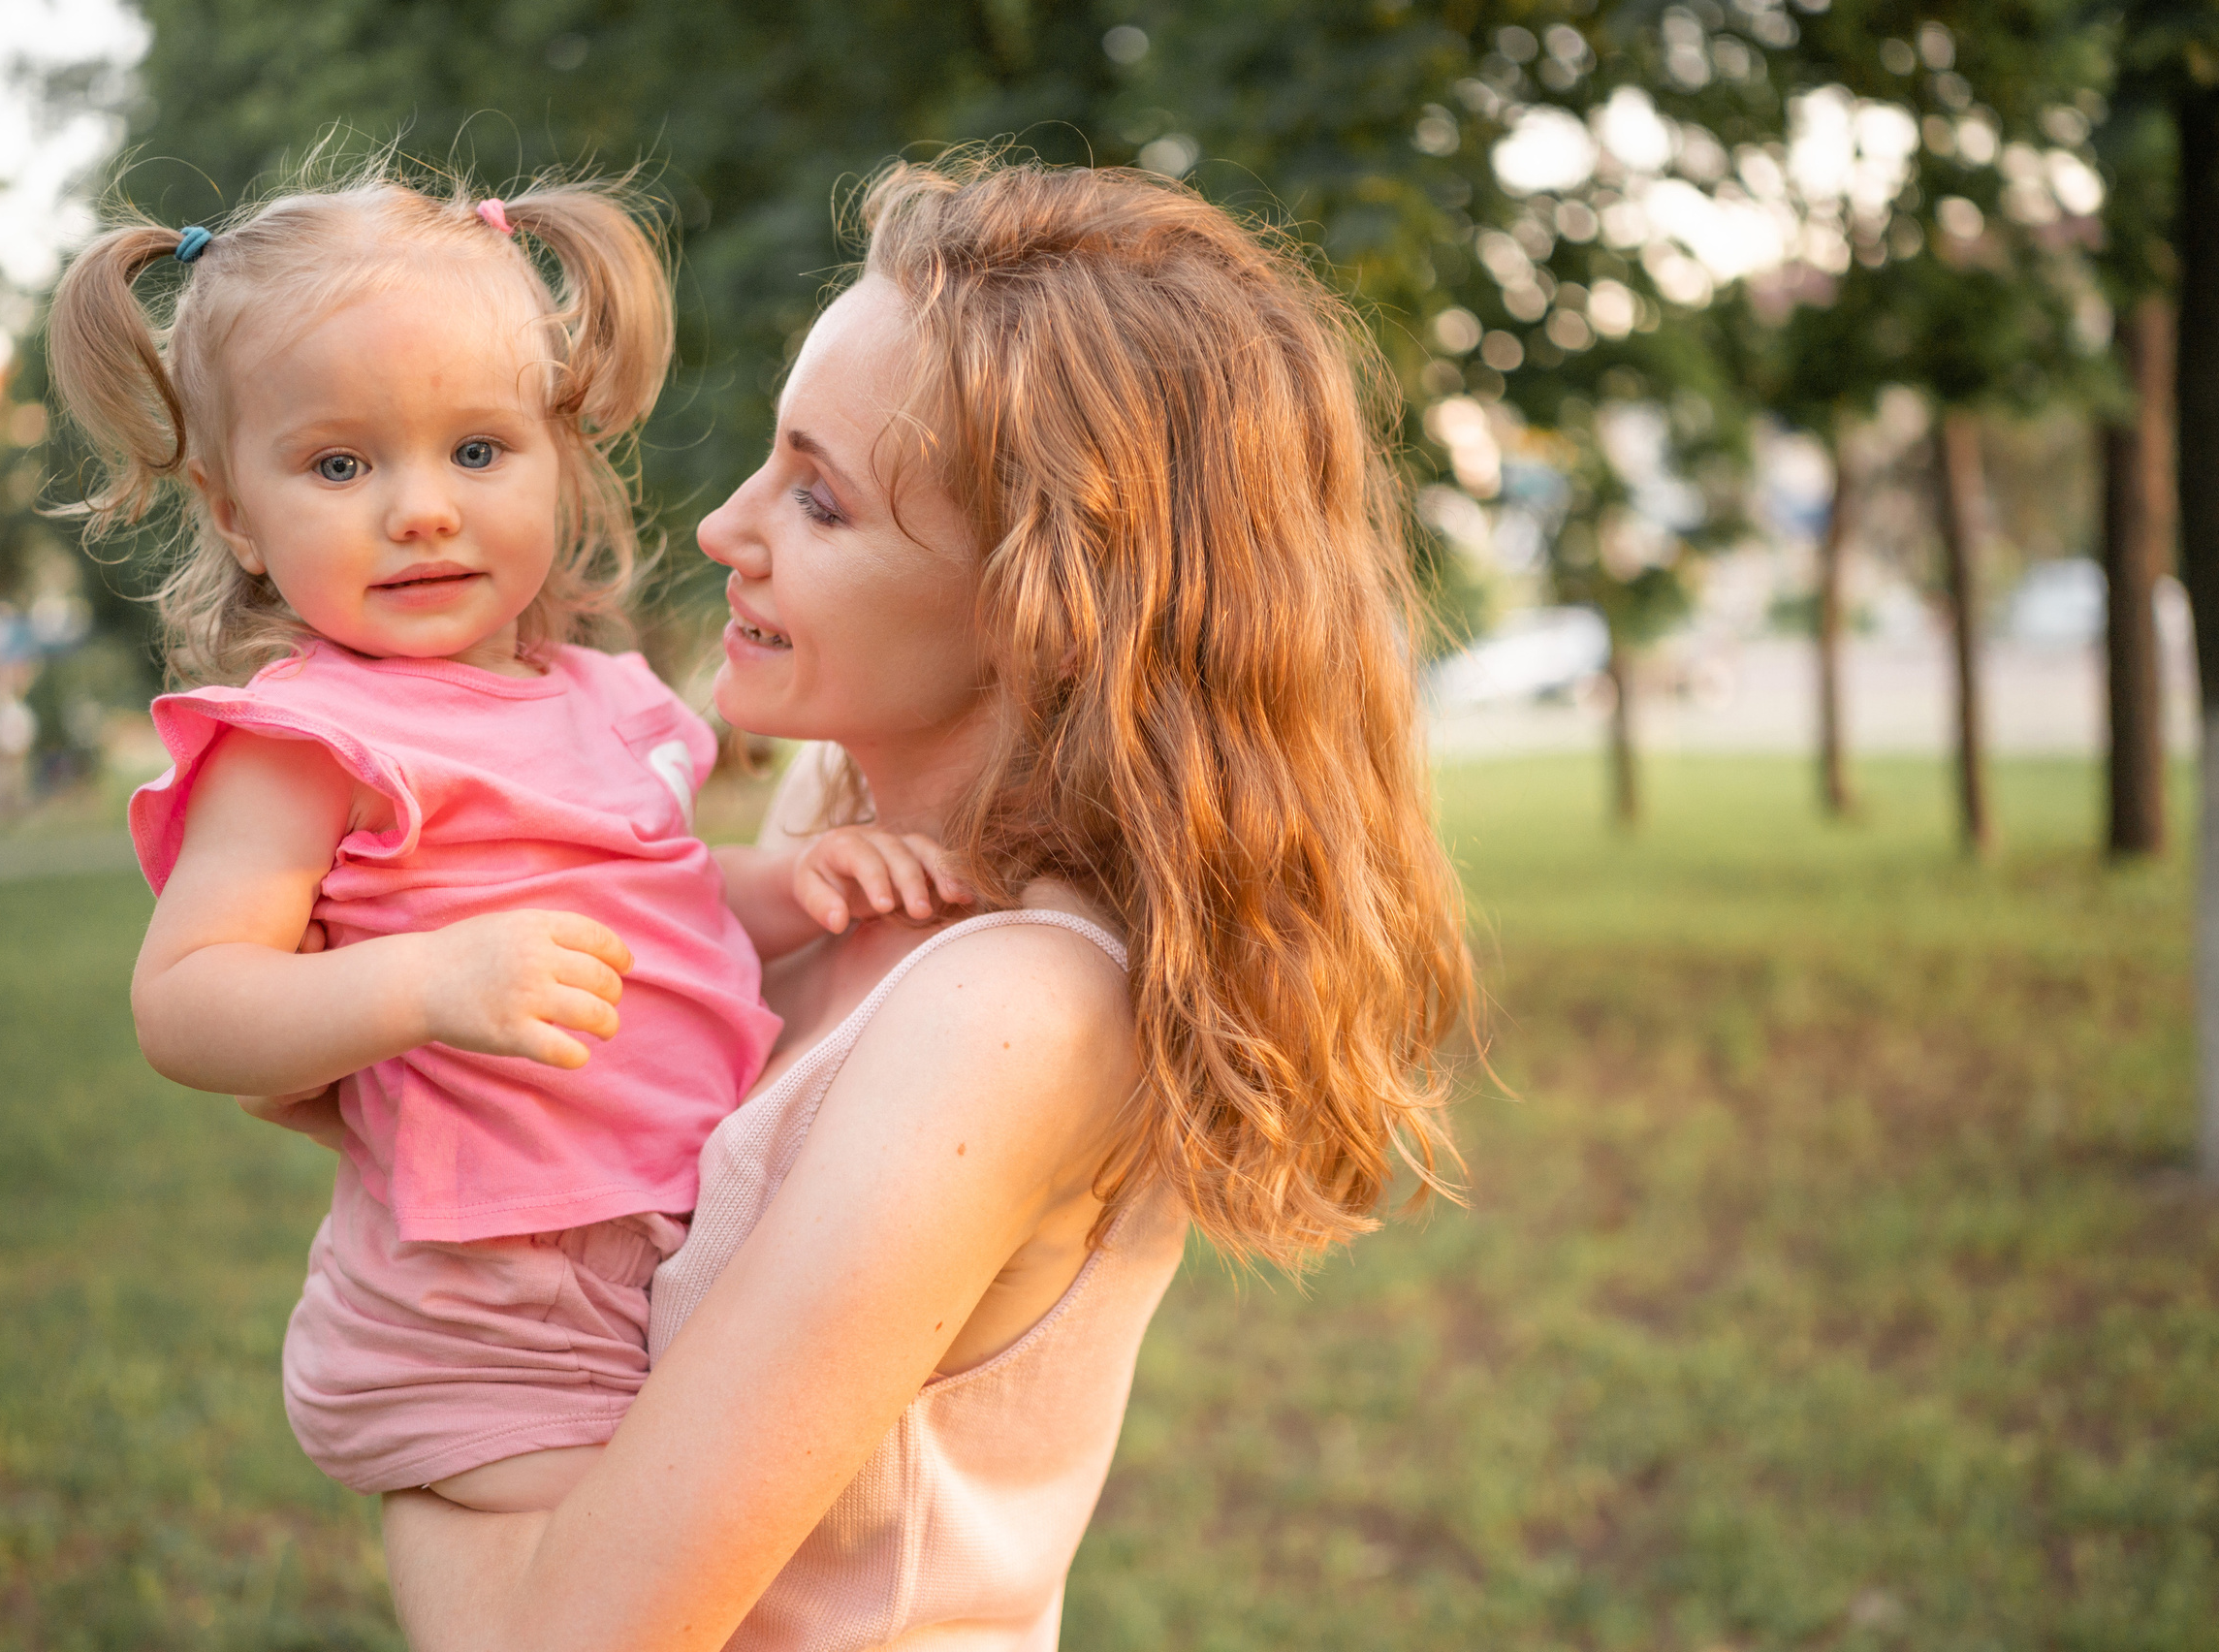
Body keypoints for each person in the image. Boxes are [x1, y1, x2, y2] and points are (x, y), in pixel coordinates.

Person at [248, 152, 1476, 1649]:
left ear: (1042, 598)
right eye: (774, 459)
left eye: (819, 501)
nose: (723, 530)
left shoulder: (1014, 1012)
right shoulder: (832, 827)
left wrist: (419, 1398)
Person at [48, 162, 956, 1516]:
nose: (421, 508)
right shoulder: (309, 740)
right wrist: (427, 983)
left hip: (652, 1243)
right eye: (340, 463)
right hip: (484, 1310)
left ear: (559, 459)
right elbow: (186, 1004)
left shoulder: (601, 695)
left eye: (477, 451)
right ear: (235, 512)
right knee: (612, 1593)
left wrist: (789, 883)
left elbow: (654, 903)